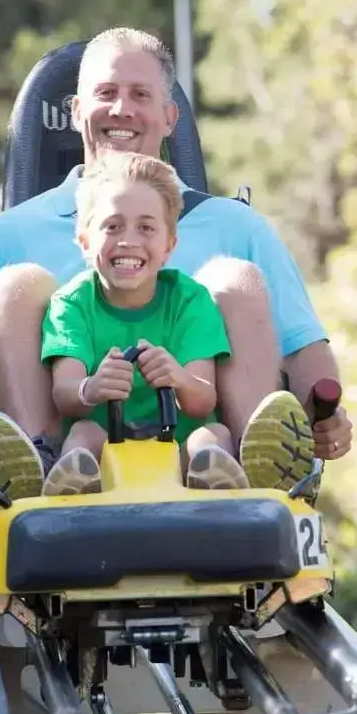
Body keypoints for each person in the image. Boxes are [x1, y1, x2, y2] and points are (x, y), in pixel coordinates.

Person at [0, 26, 353, 498]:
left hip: (210, 463)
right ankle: (37, 467)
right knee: (17, 285)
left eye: (140, 95)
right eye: (106, 93)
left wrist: (326, 411)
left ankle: (254, 469)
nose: (122, 109)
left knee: (233, 279)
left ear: (170, 116)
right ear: (75, 112)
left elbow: (303, 349)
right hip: (69, 464)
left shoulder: (236, 228)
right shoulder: (10, 234)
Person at [36, 150, 249, 497]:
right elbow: (65, 393)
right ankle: (72, 484)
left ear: (169, 246)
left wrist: (177, 377)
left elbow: (202, 401)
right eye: (112, 226)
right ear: (85, 242)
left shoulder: (189, 300)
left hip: (177, 449)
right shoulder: (71, 304)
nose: (129, 240)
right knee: (83, 434)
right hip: (107, 450)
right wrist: (90, 388)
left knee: (213, 436)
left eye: (146, 227)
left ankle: (214, 479)